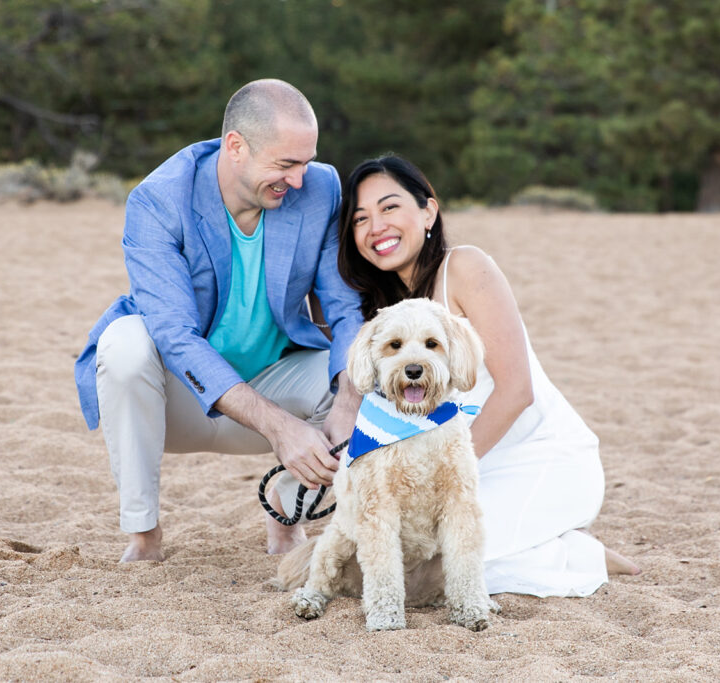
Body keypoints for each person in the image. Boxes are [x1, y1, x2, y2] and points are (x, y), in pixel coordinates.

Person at [73, 79, 364, 562]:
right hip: (174, 402)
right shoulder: (158, 200)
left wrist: (349, 400)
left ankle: (285, 518)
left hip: (278, 380)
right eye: (286, 164)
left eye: (306, 161)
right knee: (124, 343)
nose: (298, 179)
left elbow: (344, 307)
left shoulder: (321, 188)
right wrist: (278, 428)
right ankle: (144, 536)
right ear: (236, 147)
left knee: (368, 373)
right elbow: (176, 337)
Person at [335, 155, 639, 597]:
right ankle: (542, 544)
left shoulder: (463, 268)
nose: (375, 226)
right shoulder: (388, 317)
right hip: (472, 465)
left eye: (389, 207)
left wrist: (441, 479)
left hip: (539, 458)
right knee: (397, 564)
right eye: (360, 219)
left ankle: (580, 555)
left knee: (446, 574)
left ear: (428, 212)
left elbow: (517, 391)